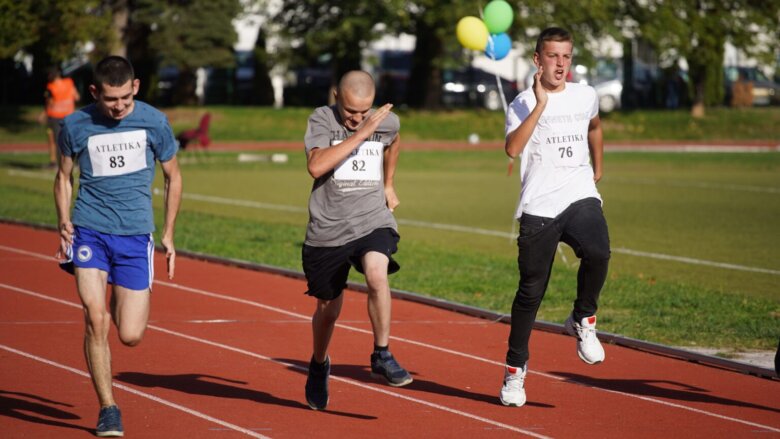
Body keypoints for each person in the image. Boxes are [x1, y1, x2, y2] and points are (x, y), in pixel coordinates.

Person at [53, 56, 182, 436]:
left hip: (135, 235)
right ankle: (108, 407)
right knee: (95, 319)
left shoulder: (154, 122)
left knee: (130, 334)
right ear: (95, 92)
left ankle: (117, 295)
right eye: (111, 100)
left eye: (126, 98)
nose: (119, 107)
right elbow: (63, 177)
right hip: (89, 230)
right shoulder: (76, 125)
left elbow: (174, 177)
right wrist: (63, 218)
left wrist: (169, 232)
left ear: (136, 88)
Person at [499, 27, 611, 407]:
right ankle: (515, 372)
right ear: (537, 60)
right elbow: (512, 149)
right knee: (530, 293)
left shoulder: (586, 95)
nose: (560, 64)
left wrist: (598, 165)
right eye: (553, 56)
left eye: (566, 56)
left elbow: (594, 126)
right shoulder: (520, 103)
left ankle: (584, 317)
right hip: (539, 207)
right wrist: (540, 104)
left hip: (579, 194)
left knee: (598, 252)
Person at [301, 70, 411, 411]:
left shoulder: (385, 122)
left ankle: (382, 353)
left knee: (377, 274)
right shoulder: (321, 118)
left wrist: (389, 182)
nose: (357, 119)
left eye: (364, 113)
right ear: (337, 96)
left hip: (371, 219)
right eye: (350, 112)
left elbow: (394, 140)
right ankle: (319, 363)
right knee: (328, 309)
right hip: (329, 228)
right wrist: (362, 133)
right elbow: (316, 166)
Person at [41, 67, 80, 167]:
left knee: (58, 141)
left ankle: (61, 163)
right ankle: (76, 161)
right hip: (69, 115)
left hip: (55, 116)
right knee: (72, 139)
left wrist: (43, 114)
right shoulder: (69, 82)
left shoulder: (51, 86)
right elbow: (77, 97)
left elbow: (49, 102)